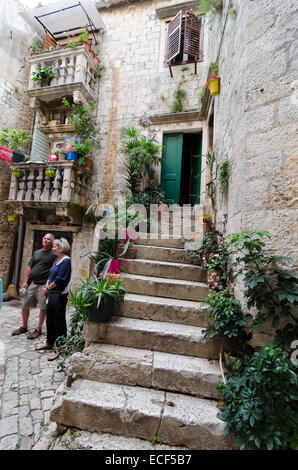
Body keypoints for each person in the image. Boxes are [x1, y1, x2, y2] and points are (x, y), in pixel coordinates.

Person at [12, 233, 56, 339]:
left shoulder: (54, 254)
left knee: (42, 308)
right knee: (25, 305)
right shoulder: (37, 253)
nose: (45, 240)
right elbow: (30, 268)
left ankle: (38, 329)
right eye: (44, 238)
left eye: (48, 239)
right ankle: (24, 326)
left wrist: (48, 286)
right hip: (33, 283)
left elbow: (54, 270)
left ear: (52, 242)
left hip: (43, 285)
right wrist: (26, 281)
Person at [35, 238, 71, 361]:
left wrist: (47, 289)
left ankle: (59, 348)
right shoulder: (56, 260)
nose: (52, 248)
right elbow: (50, 276)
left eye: (55, 246)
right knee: (50, 319)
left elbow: (60, 279)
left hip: (59, 295)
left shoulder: (66, 261)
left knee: (58, 321)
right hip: (51, 294)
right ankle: (49, 342)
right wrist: (46, 288)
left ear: (61, 248)